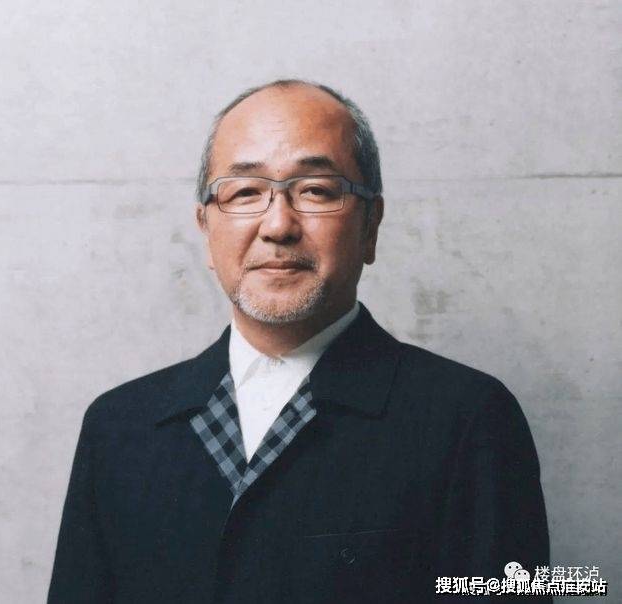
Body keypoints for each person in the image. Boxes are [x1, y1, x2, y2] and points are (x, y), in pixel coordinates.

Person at [48, 80, 551, 603]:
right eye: (244, 192)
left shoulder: (468, 419)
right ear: (205, 229)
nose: (277, 226)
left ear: (371, 226)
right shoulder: (119, 427)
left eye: (316, 191)